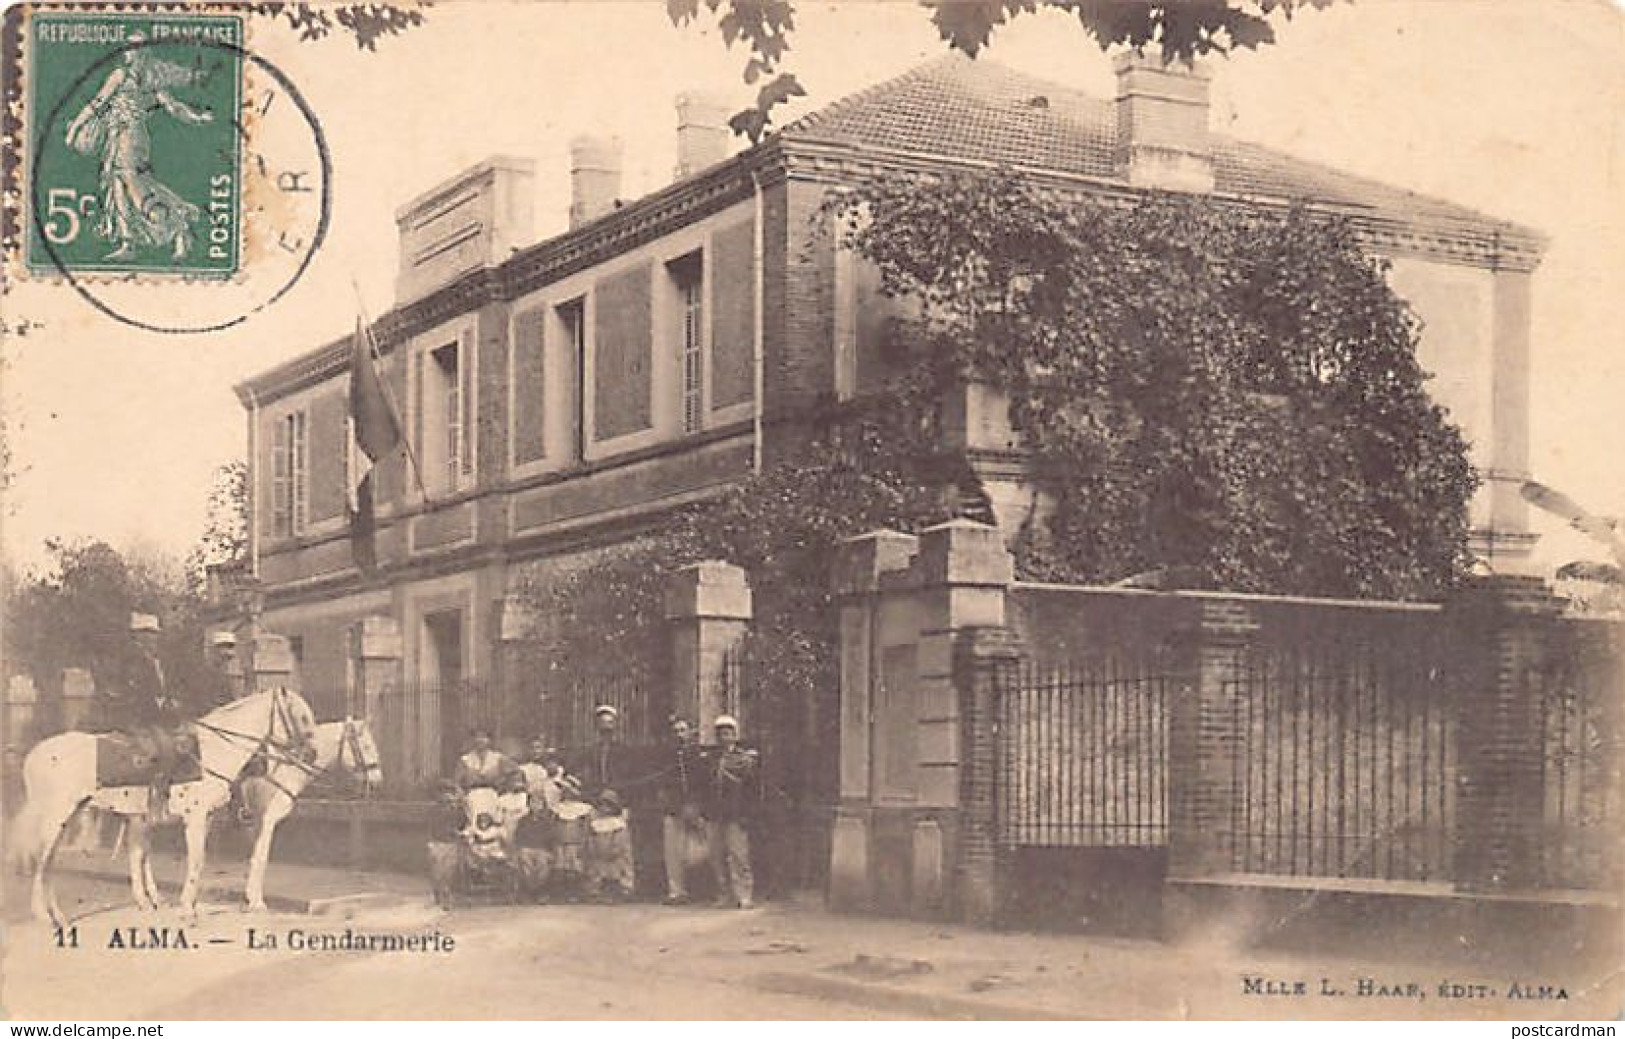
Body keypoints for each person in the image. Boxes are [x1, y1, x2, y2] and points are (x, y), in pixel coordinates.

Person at [63, 32, 214, 262]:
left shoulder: (120, 75)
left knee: (132, 185)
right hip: (130, 137)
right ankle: (129, 244)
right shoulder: (151, 80)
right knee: (121, 185)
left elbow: (97, 104)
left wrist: (75, 129)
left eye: (133, 48)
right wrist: (198, 118)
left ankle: (177, 223)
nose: (129, 52)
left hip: (127, 136)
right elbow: (175, 108)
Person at [706, 714, 761, 910]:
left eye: (728, 733)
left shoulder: (744, 758)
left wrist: (747, 813)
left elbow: (751, 788)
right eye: (720, 734)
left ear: (735, 735)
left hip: (736, 813)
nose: (724, 738)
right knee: (716, 856)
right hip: (715, 813)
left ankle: (744, 894)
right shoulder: (710, 758)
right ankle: (723, 894)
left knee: (739, 855)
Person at [658, 717, 707, 905]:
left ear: (690, 732)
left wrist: (696, 805)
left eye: (683, 730)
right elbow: (662, 785)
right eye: (676, 731)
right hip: (673, 808)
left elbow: (703, 782)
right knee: (673, 852)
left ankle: (705, 889)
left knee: (701, 850)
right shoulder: (665, 757)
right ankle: (677, 892)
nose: (679, 735)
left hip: (694, 808)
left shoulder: (697, 755)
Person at [585, 788, 634, 902]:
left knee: (618, 868)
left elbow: (622, 839)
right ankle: (597, 890)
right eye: (602, 805)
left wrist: (615, 849)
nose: (604, 808)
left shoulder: (619, 822)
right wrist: (592, 846)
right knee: (598, 869)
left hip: (615, 851)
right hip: (600, 850)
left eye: (608, 805)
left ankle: (622, 890)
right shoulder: (596, 821)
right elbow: (591, 835)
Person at [454, 728, 518, 794]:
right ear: (473, 740)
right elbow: (457, 783)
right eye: (477, 737)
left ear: (489, 740)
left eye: (483, 737)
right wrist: (462, 794)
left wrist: (504, 789)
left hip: (494, 796)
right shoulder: (465, 760)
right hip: (471, 795)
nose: (480, 740)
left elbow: (514, 774)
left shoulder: (498, 758)